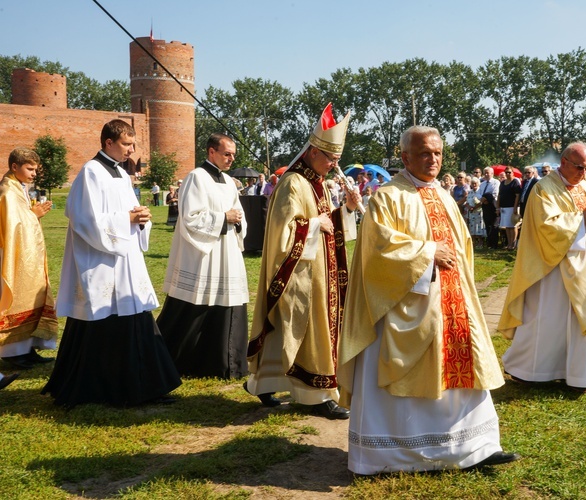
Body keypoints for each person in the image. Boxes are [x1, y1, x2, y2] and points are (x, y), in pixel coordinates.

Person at [338, 125, 519, 475]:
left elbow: (462, 246)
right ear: (405, 156)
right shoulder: (387, 197)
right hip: (407, 304)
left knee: (464, 368)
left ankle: (473, 447)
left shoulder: (444, 194)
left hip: (452, 302)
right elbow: (377, 250)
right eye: (424, 153)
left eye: (437, 153)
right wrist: (426, 252)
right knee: (407, 381)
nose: (432, 159)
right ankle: (397, 454)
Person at [42, 119, 180, 407]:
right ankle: (102, 388)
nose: (131, 150)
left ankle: (146, 385)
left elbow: (128, 213)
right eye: (127, 144)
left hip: (127, 261)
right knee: (102, 321)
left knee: (136, 315)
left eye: (132, 145)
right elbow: (83, 219)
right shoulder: (91, 173)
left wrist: (141, 218)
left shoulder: (120, 173)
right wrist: (127, 220)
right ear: (108, 143)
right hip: (101, 261)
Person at [245, 103, 361, 420]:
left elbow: (327, 222)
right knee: (300, 326)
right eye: (330, 158)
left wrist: (347, 210)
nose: (334, 165)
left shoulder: (318, 182)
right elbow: (284, 228)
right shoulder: (294, 182)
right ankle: (318, 394)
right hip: (301, 270)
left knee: (293, 328)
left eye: (337, 159)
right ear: (312, 152)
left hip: (320, 267)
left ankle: (264, 383)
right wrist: (312, 226)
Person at [499, 141, 586, 393]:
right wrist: (582, 219)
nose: (583, 173)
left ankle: (585, 376)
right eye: (579, 167)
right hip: (554, 269)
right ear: (563, 162)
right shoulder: (545, 188)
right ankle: (532, 371)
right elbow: (546, 226)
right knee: (549, 322)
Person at [157, 134, 249, 379]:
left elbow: (237, 211)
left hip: (227, 250)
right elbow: (190, 217)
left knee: (228, 302)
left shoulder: (229, 181)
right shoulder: (196, 177)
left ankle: (226, 364)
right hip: (205, 254)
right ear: (211, 152)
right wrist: (223, 218)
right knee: (195, 308)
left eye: (233, 155)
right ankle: (177, 359)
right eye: (227, 154)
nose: (231, 159)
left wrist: (238, 220)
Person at [0, 148, 58, 370]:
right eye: (30, 168)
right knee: (17, 299)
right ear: (15, 167)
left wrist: (33, 214)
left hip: (27, 256)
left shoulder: (19, 188)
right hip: (12, 257)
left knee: (32, 296)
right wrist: (34, 215)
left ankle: (28, 348)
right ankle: (12, 352)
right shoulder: (7, 191)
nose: (34, 173)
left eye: (36, 169)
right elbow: (13, 225)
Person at [498, 167, 521, 250]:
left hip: (512, 207)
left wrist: (515, 207)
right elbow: (499, 195)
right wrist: (498, 207)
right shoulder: (503, 182)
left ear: (512, 173)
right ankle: (509, 243)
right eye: (506, 172)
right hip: (504, 207)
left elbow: (517, 196)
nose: (508, 174)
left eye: (509, 172)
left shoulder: (515, 182)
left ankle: (514, 244)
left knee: (513, 226)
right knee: (507, 226)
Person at [478, 167, 500, 248]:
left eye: (488, 173)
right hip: (485, 205)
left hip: (492, 205)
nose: (486, 174)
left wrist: (486, 198)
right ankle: (489, 243)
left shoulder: (495, 182)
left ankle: (494, 243)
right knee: (487, 224)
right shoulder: (482, 184)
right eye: (485, 173)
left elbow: (495, 193)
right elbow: (478, 193)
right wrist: (482, 199)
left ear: (492, 173)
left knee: (494, 225)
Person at [466, 177, 486, 247]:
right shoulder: (470, 192)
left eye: (475, 183)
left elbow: (481, 202)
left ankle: (480, 242)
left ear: (478, 184)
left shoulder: (480, 191)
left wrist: (474, 207)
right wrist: (469, 207)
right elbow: (467, 201)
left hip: (478, 212)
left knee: (479, 227)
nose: (474, 185)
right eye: (472, 183)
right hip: (471, 212)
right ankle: (473, 242)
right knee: (472, 227)